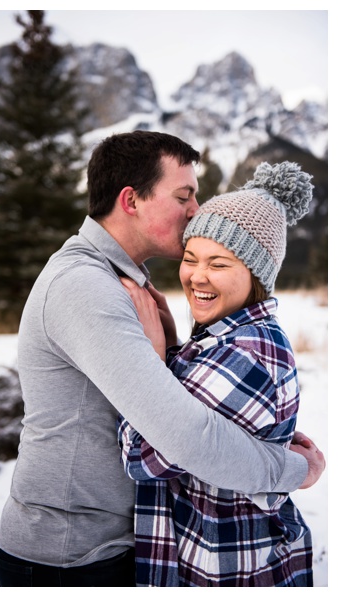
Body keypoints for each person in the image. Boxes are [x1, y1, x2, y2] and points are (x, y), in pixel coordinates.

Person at [0, 131, 325, 587]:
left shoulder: (122, 280)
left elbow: (172, 405)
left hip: (109, 543)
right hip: (72, 555)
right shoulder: (86, 286)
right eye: (184, 195)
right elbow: (187, 436)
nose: (195, 210)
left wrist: (167, 353)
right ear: (131, 200)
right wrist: (293, 468)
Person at [118, 162, 315, 586]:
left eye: (219, 264)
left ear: (256, 275)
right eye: (190, 258)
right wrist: (171, 345)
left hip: (225, 567)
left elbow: (142, 456)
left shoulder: (246, 355)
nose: (197, 276)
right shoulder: (221, 338)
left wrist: (149, 360)